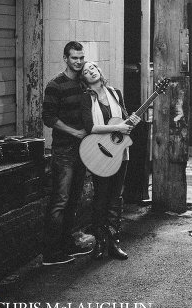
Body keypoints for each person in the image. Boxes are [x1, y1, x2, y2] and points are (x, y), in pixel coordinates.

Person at [80, 61, 140, 260]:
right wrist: (118, 128)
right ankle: (100, 242)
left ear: (99, 70)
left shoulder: (115, 93)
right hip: (99, 153)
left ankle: (114, 242)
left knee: (116, 197)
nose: (91, 71)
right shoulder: (86, 98)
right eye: (86, 71)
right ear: (84, 78)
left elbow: (124, 120)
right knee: (101, 198)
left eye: (93, 68)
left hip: (119, 152)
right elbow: (90, 127)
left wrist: (131, 122)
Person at [41, 41, 92, 265]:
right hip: (64, 151)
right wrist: (75, 132)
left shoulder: (84, 84)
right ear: (65, 59)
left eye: (81, 58)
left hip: (84, 151)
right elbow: (48, 118)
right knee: (60, 201)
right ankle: (51, 253)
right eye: (74, 58)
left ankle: (66, 244)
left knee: (73, 200)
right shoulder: (55, 85)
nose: (79, 62)